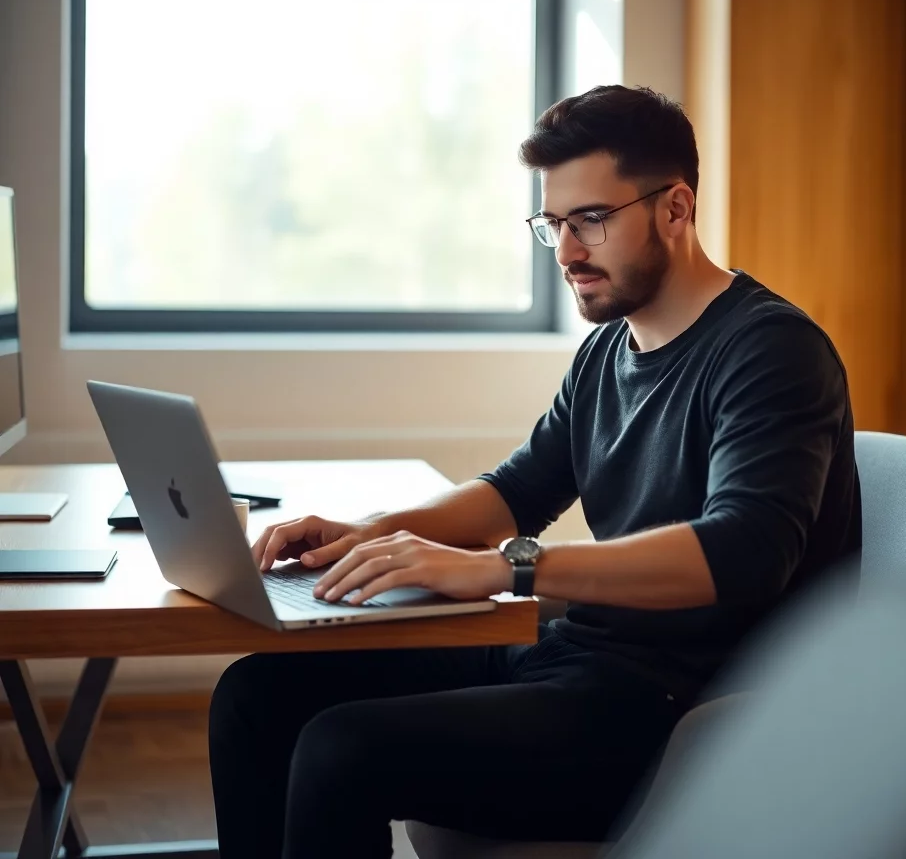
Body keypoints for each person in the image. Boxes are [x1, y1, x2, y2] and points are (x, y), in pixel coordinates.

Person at [208, 85, 861, 859]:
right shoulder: (606, 353)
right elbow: (517, 492)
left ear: (676, 208)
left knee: (341, 749)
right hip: (574, 657)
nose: (568, 252)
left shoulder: (771, 351)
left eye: (591, 220)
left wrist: (504, 570)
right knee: (254, 697)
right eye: (554, 225)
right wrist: (370, 535)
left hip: (678, 709)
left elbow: (744, 552)